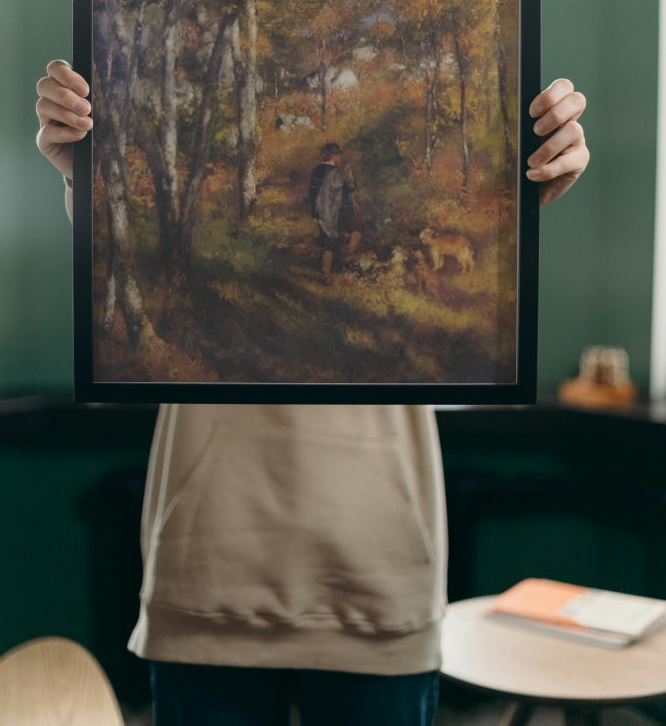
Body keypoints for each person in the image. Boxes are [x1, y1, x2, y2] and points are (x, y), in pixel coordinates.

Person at [36, 63, 589, 726]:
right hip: (208, 573)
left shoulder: (357, 179)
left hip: (381, 576)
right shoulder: (222, 187)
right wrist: (86, 170)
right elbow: (135, 252)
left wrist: (514, 207)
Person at [308, 142, 363, 284]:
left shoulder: (316, 171)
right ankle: (345, 260)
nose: (340, 157)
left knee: (328, 243)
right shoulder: (338, 173)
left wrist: (315, 216)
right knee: (356, 230)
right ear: (333, 156)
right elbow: (350, 188)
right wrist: (350, 175)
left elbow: (312, 194)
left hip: (322, 213)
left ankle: (325, 274)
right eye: (338, 155)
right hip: (338, 212)